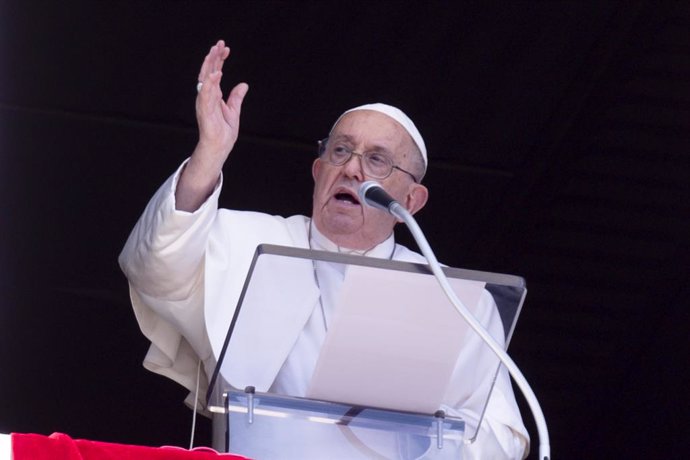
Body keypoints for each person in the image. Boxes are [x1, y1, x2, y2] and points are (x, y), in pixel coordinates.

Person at [119, 40, 529, 459]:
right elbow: (155, 264)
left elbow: (502, 436)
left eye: (377, 160)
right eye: (340, 151)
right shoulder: (249, 242)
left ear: (411, 202)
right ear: (319, 173)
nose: (352, 168)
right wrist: (210, 154)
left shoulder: (455, 300)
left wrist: (422, 435)